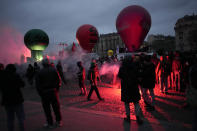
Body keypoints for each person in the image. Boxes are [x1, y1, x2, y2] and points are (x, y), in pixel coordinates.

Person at [35, 59, 62, 128]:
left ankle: (50, 123)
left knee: (47, 109)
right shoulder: (54, 70)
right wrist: (56, 90)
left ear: (43, 64)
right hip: (53, 91)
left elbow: (38, 85)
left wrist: (41, 93)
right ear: (49, 63)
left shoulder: (39, 72)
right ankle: (58, 121)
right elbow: (59, 81)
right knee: (56, 107)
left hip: (44, 93)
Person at [118, 56, 143, 125]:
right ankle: (138, 118)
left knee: (126, 103)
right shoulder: (135, 67)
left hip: (125, 87)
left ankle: (128, 117)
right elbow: (139, 76)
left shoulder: (122, 68)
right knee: (136, 103)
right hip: (134, 87)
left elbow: (119, 76)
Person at [0, 64, 25, 131]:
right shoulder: (15, 75)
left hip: (7, 100)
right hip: (17, 100)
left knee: (10, 118)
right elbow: (22, 84)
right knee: (20, 117)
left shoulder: (2, 77)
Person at [186, 61, 197, 131]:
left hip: (194, 94)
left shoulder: (193, 68)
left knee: (195, 117)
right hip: (194, 93)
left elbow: (191, 81)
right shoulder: (193, 68)